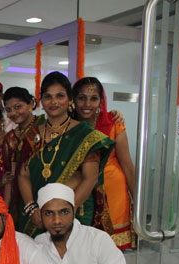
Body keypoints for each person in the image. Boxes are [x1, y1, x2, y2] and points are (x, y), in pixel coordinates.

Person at [17, 71, 114, 237]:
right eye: (48, 96)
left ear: (70, 100)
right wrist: (31, 208)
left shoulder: (85, 135)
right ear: (41, 101)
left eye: (60, 96)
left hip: (75, 213)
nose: (53, 101)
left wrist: (62, 213)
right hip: (36, 215)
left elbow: (90, 178)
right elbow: (23, 175)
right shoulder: (32, 134)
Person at [73, 77, 136, 250]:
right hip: (80, 191)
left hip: (112, 193)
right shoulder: (68, 125)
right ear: (73, 99)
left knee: (110, 253)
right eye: (82, 98)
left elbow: (128, 167)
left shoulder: (113, 123)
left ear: (101, 101)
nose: (87, 104)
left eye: (93, 98)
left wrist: (138, 203)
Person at [2, 87, 39, 225]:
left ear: (31, 104)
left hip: (42, 189)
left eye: (18, 107)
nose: (13, 113)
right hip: (19, 197)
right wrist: (5, 208)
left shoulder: (44, 128)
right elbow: (10, 176)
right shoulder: (10, 138)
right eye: (8, 109)